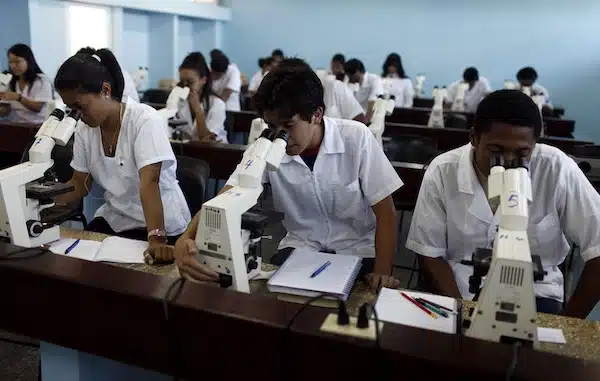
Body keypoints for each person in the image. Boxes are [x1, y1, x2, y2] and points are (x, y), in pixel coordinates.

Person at [174, 58, 403, 291]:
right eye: (272, 127)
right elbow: (225, 197)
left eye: (288, 125)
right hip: (300, 251)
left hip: (358, 252)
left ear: (316, 114)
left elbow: (386, 213)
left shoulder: (356, 138)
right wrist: (185, 238)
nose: (280, 136)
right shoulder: (265, 147)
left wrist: (382, 273)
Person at [406, 90, 600, 317]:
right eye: (496, 151)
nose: (508, 161)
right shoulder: (442, 170)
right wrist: (462, 313)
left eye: (521, 153)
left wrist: (569, 326)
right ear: (474, 138)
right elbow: (430, 252)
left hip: (535, 289)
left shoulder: (556, 168)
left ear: (535, 144)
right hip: (457, 284)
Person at [53, 48, 191, 263]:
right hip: (116, 218)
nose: (77, 115)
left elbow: (150, 183)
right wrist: (42, 202)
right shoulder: (84, 128)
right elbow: (80, 184)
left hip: (158, 223)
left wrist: (156, 238)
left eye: (80, 106)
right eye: (71, 108)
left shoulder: (144, 120)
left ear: (105, 90)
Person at [176, 52, 227, 143]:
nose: (185, 86)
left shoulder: (217, 104)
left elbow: (206, 138)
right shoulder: (180, 102)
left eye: (190, 82)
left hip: (216, 152)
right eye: (182, 82)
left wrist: (198, 111)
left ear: (203, 80)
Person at [0, 43, 53, 123]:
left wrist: (18, 97)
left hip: (36, 125)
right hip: (14, 125)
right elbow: (5, 111)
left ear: (28, 61)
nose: (13, 66)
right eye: (10, 62)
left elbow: (38, 108)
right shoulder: (8, 80)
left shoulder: (41, 80)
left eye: (17, 62)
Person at [344, 58, 384, 123]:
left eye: (349, 76)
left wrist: (365, 124)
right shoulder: (353, 84)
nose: (349, 78)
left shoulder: (375, 80)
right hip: (356, 119)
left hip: (369, 119)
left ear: (357, 72)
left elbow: (373, 103)